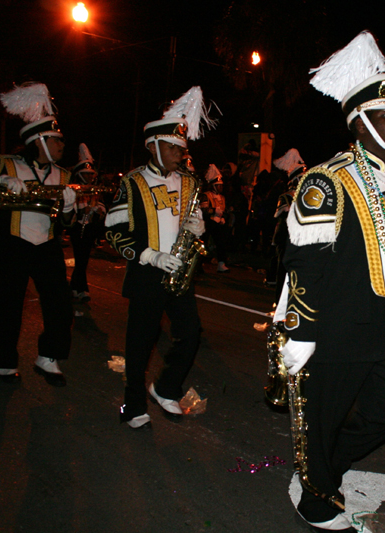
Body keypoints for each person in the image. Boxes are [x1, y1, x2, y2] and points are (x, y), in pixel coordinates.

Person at [277, 31, 385, 532]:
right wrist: (299, 329)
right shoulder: (327, 179)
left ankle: (320, 468)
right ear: (359, 123)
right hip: (338, 323)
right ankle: (316, 495)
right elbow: (304, 262)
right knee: (323, 416)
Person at [104, 86, 214, 430]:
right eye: (172, 147)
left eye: (182, 148)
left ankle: (165, 387)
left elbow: (186, 222)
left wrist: (196, 227)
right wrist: (150, 256)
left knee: (191, 333)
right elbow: (114, 231)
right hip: (147, 272)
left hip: (179, 271)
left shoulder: (189, 183)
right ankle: (133, 405)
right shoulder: (133, 182)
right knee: (140, 344)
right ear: (153, 146)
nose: (179, 154)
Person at [0, 84, 77, 386]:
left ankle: (48, 357)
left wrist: (69, 208)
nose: (61, 145)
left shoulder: (64, 174)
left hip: (47, 245)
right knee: (8, 304)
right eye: (55, 140)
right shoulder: (6, 163)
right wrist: (0, 182)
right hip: (11, 243)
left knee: (61, 304)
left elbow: (68, 224)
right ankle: (5, 361)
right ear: (38, 141)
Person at [67, 143, 106, 304]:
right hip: (77, 228)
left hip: (90, 227)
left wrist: (98, 210)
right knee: (81, 258)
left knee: (83, 260)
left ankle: (75, 287)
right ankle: (82, 289)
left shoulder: (95, 189)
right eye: (86, 174)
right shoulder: (74, 188)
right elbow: (71, 207)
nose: (90, 177)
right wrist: (82, 209)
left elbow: (103, 205)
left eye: (91, 174)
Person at [270, 148, 305, 304]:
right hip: (285, 236)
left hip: (300, 237)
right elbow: (281, 213)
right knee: (284, 270)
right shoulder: (286, 195)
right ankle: (280, 303)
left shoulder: (306, 196)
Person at [200, 164, 231, 273]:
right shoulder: (206, 195)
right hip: (207, 223)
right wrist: (214, 211)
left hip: (218, 224)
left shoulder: (222, 197)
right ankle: (199, 264)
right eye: (218, 186)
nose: (221, 188)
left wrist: (223, 217)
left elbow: (224, 210)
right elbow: (203, 210)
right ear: (213, 186)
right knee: (203, 243)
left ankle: (221, 264)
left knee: (221, 243)